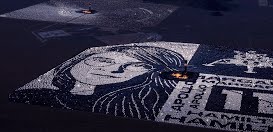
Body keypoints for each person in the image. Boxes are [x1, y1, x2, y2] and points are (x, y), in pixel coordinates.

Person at [10, 45, 185, 120]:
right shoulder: (34, 95)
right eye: (104, 61)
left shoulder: (136, 106)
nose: (116, 71)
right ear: (75, 61)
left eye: (135, 66)